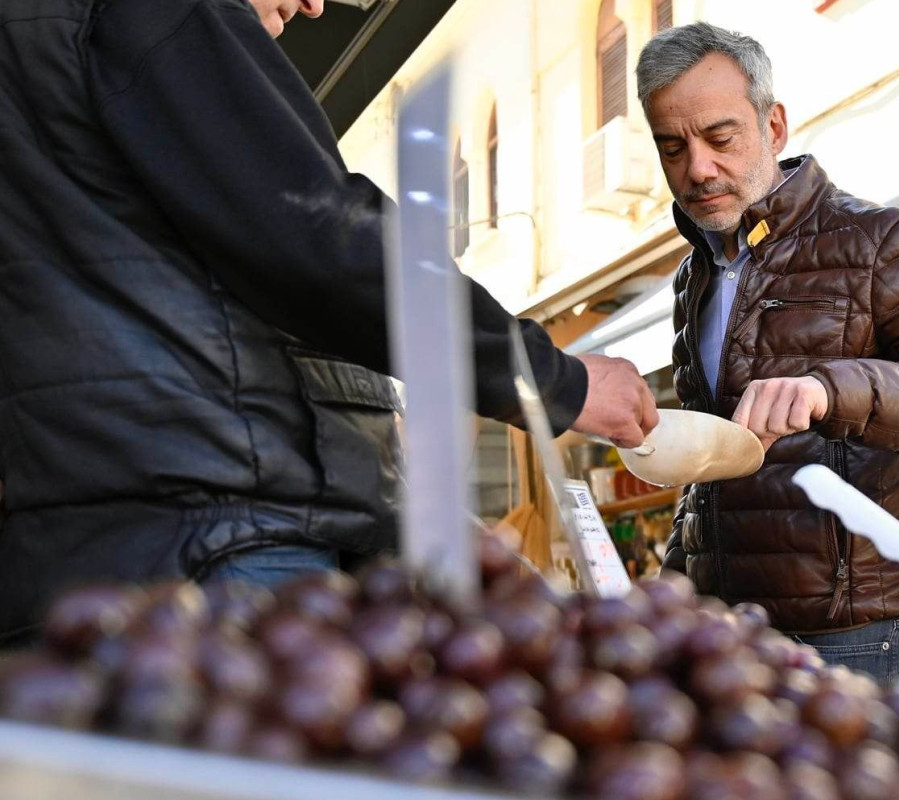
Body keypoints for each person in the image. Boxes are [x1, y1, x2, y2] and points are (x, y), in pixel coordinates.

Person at [0, 0, 658, 640]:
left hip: (71, 549)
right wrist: (551, 379)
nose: (314, 5)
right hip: (218, 533)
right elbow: (314, 232)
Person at [638, 23, 899, 682]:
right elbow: (719, 475)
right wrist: (673, 587)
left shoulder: (879, 242)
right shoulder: (694, 276)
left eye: (719, 137)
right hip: (734, 635)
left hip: (860, 638)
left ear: (774, 127)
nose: (697, 168)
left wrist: (834, 389)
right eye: (672, 147)